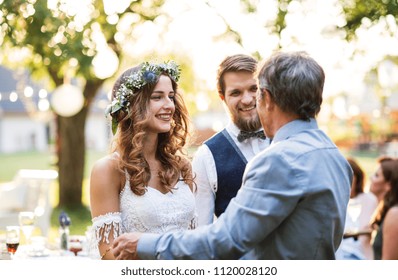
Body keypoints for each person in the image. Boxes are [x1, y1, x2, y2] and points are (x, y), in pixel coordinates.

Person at [111, 51, 352, 260]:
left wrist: (143, 244)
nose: (250, 101)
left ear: (266, 98)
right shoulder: (336, 158)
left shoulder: (278, 160)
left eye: (255, 93)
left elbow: (225, 240)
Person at [89, 61, 196, 260]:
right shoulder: (109, 170)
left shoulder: (182, 166)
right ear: (131, 105)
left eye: (171, 97)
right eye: (157, 97)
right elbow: (109, 254)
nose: (169, 106)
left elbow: (192, 239)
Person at [193, 54, 269, 226]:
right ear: (222, 97)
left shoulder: (285, 139)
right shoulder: (207, 156)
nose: (247, 99)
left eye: (253, 89)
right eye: (236, 92)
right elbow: (202, 233)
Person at [336, 158, 378, 260]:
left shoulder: (368, 199)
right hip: (339, 251)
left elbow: (366, 229)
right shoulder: (336, 199)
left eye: (349, 177)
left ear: (357, 178)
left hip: (357, 253)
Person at [370, 157, 398, 259]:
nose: (370, 178)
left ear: (388, 185)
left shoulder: (395, 214)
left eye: (376, 176)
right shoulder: (386, 209)